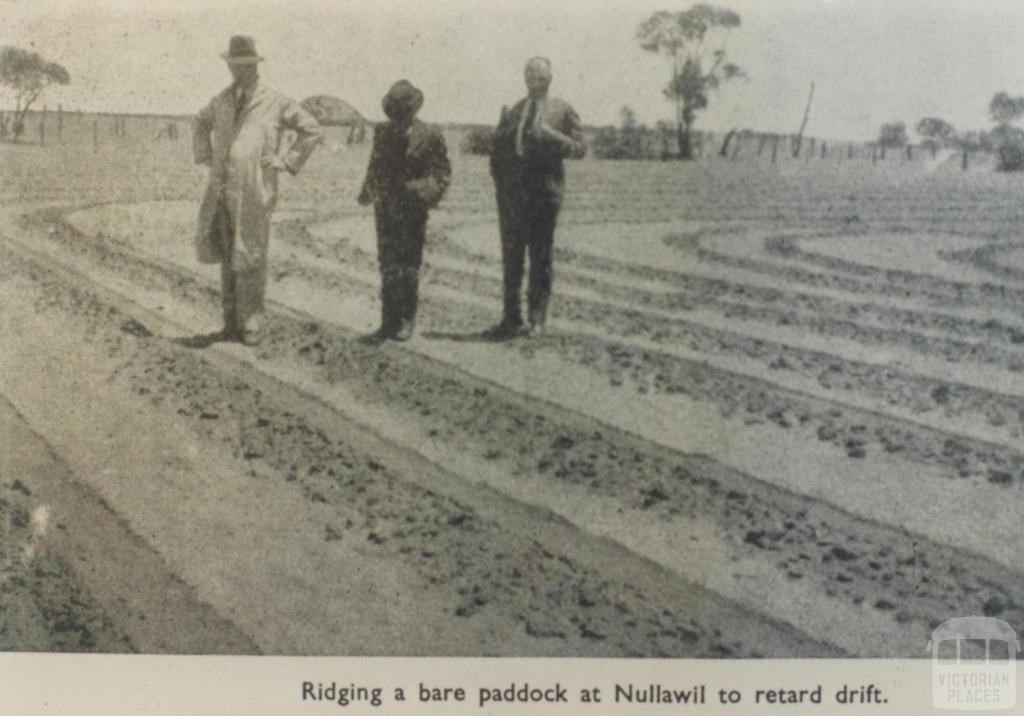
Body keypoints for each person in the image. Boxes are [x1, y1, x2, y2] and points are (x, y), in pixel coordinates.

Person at [192, 35, 322, 346]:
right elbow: (199, 122)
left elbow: (312, 129)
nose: (237, 71)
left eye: (244, 65)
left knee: (250, 255)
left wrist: (286, 160)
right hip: (222, 190)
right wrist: (206, 157)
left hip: (255, 191)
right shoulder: (222, 100)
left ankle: (251, 323)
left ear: (255, 66)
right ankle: (229, 322)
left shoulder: (275, 101)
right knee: (227, 255)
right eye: (233, 65)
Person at [487, 57, 585, 339]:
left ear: (550, 79)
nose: (534, 81)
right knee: (512, 257)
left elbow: (580, 149)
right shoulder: (515, 110)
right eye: (529, 75)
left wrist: (553, 135)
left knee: (540, 257)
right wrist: (502, 186)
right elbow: (498, 152)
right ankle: (511, 318)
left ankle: (537, 320)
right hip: (512, 197)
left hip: (544, 196)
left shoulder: (562, 110)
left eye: (540, 77)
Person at [358, 80, 451, 342]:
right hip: (386, 208)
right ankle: (388, 321)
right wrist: (367, 191)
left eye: (405, 108)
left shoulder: (430, 134)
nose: (400, 114)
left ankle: (407, 320)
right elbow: (374, 165)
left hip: (413, 211)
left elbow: (442, 173)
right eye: (396, 109)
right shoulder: (383, 132)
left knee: (409, 265)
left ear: (413, 108)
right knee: (387, 265)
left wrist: (424, 193)